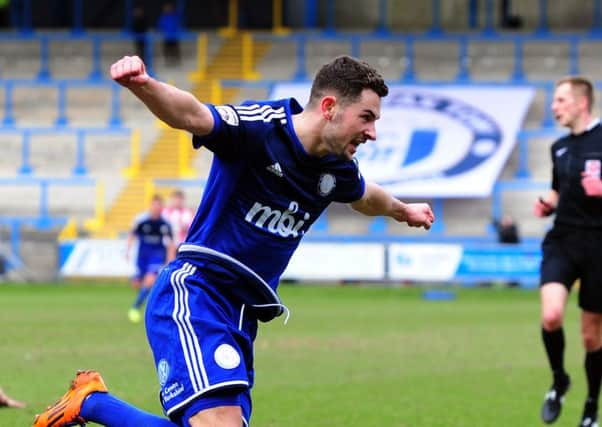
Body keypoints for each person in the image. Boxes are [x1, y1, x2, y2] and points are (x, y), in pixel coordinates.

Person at [33, 54, 435, 427]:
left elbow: (365, 196)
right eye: (367, 117)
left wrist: (402, 210)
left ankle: (91, 403)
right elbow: (193, 115)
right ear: (330, 107)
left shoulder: (337, 168)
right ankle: (91, 403)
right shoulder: (260, 127)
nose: (373, 132)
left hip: (243, 315)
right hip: (197, 292)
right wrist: (142, 84)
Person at [534, 76, 602, 427]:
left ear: (581, 103)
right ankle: (560, 380)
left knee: (591, 335)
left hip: (599, 247)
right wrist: (548, 202)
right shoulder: (558, 147)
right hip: (563, 240)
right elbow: (558, 190)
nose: (555, 106)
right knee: (551, 316)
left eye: (561, 100)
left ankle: (592, 403)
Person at [126, 194, 175, 323]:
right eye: (154, 205)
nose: (156, 208)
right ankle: (145, 302)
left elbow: (170, 244)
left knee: (150, 281)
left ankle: (135, 308)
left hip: (157, 257)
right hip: (142, 257)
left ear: (161, 208)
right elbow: (132, 234)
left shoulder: (164, 224)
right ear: (150, 207)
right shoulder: (142, 222)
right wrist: (128, 249)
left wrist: (170, 259)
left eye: (158, 206)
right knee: (138, 284)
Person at [157, 2, 182, 66]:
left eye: (169, 8)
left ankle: (176, 62)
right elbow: (160, 26)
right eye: (166, 8)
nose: (167, 9)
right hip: (166, 37)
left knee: (175, 50)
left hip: (174, 36)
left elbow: (178, 25)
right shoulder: (162, 17)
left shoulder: (175, 16)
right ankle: (167, 62)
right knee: (166, 50)